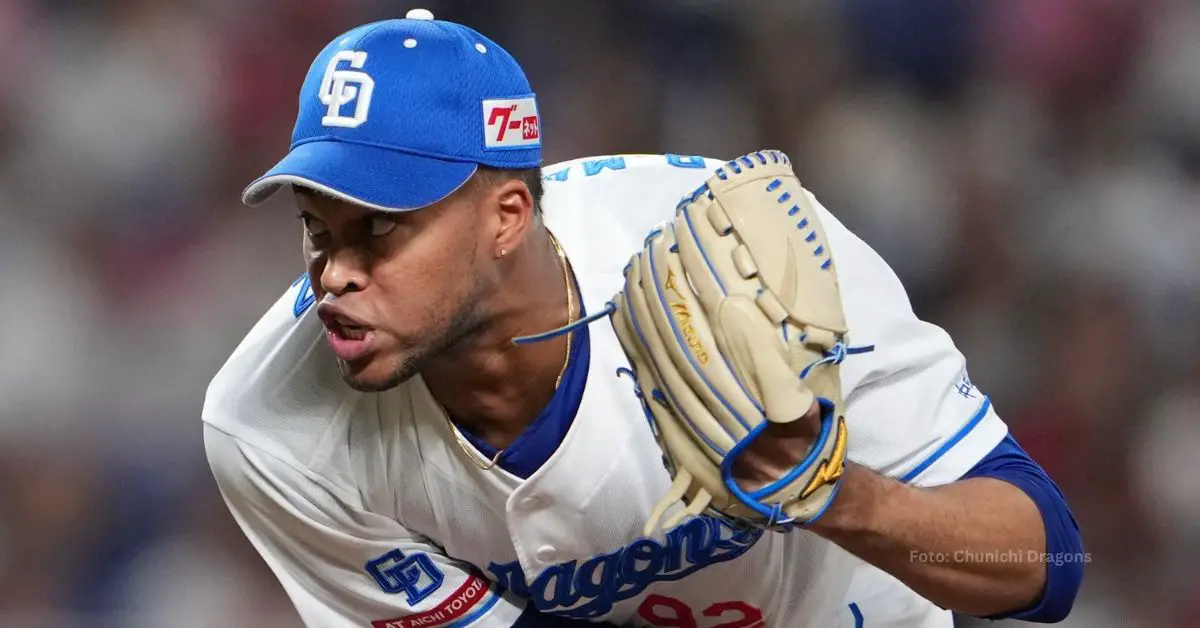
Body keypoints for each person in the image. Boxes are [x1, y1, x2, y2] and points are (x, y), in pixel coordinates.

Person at [204, 10, 1084, 627]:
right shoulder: (270, 426)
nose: (337, 276)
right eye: (317, 230)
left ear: (509, 215)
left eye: (381, 228)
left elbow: (1045, 567)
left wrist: (836, 495)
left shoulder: (736, 253)